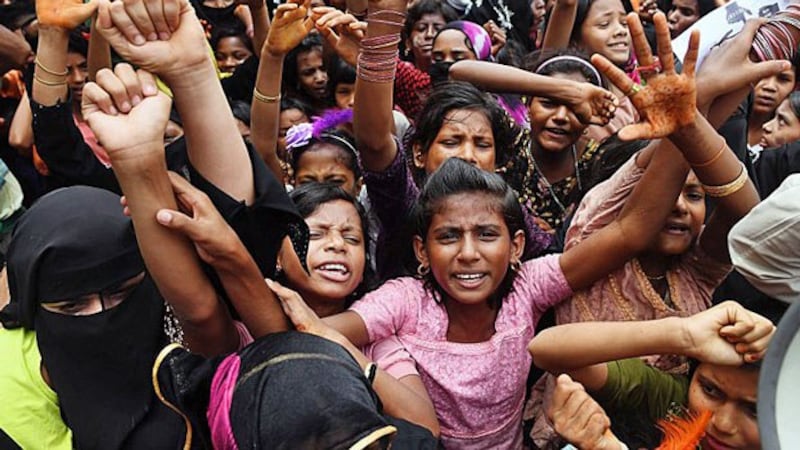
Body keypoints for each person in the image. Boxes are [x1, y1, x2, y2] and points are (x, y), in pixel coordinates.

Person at [530, 301, 776, 449]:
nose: (722, 424)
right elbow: (544, 350)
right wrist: (682, 334)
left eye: (754, 410)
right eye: (710, 390)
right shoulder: (674, 400)